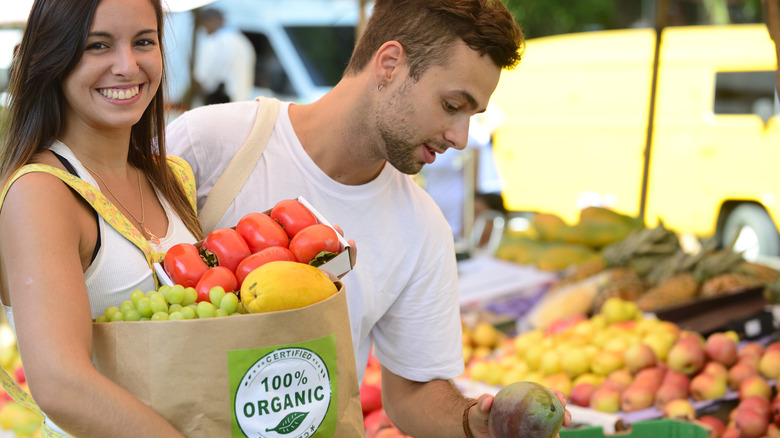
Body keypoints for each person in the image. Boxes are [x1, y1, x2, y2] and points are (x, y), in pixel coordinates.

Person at [166, 0, 571, 436]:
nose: (461, 137)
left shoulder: (422, 227)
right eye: (453, 105)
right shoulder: (207, 143)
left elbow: (410, 394)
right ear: (390, 64)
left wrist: (478, 423)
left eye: (471, 115)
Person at [0, 0, 203, 436]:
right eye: (97, 46)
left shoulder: (175, 178)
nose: (127, 66)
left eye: (143, 41)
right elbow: (60, 384)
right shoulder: (40, 191)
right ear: (53, 58)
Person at [190, 7, 256, 106]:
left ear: (211, 21)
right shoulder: (242, 41)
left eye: (204, 26)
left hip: (219, 103)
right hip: (241, 103)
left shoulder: (214, 42)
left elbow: (202, 78)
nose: (204, 30)